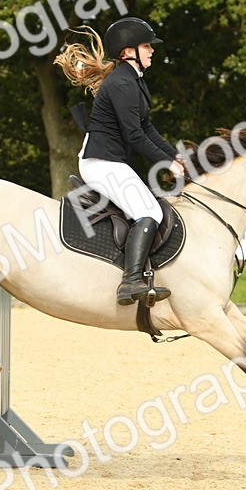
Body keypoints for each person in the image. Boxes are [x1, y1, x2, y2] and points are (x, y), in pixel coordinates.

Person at [54, 17, 186, 306]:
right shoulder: (123, 83)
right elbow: (135, 136)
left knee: (148, 209)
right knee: (149, 212)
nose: (152, 51)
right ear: (128, 51)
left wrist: (173, 155)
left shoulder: (133, 81)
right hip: (101, 162)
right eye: (146, 46)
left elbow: (147, 128)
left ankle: (140, 276)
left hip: (111, 161)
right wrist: (168, 164)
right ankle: (131, 282)